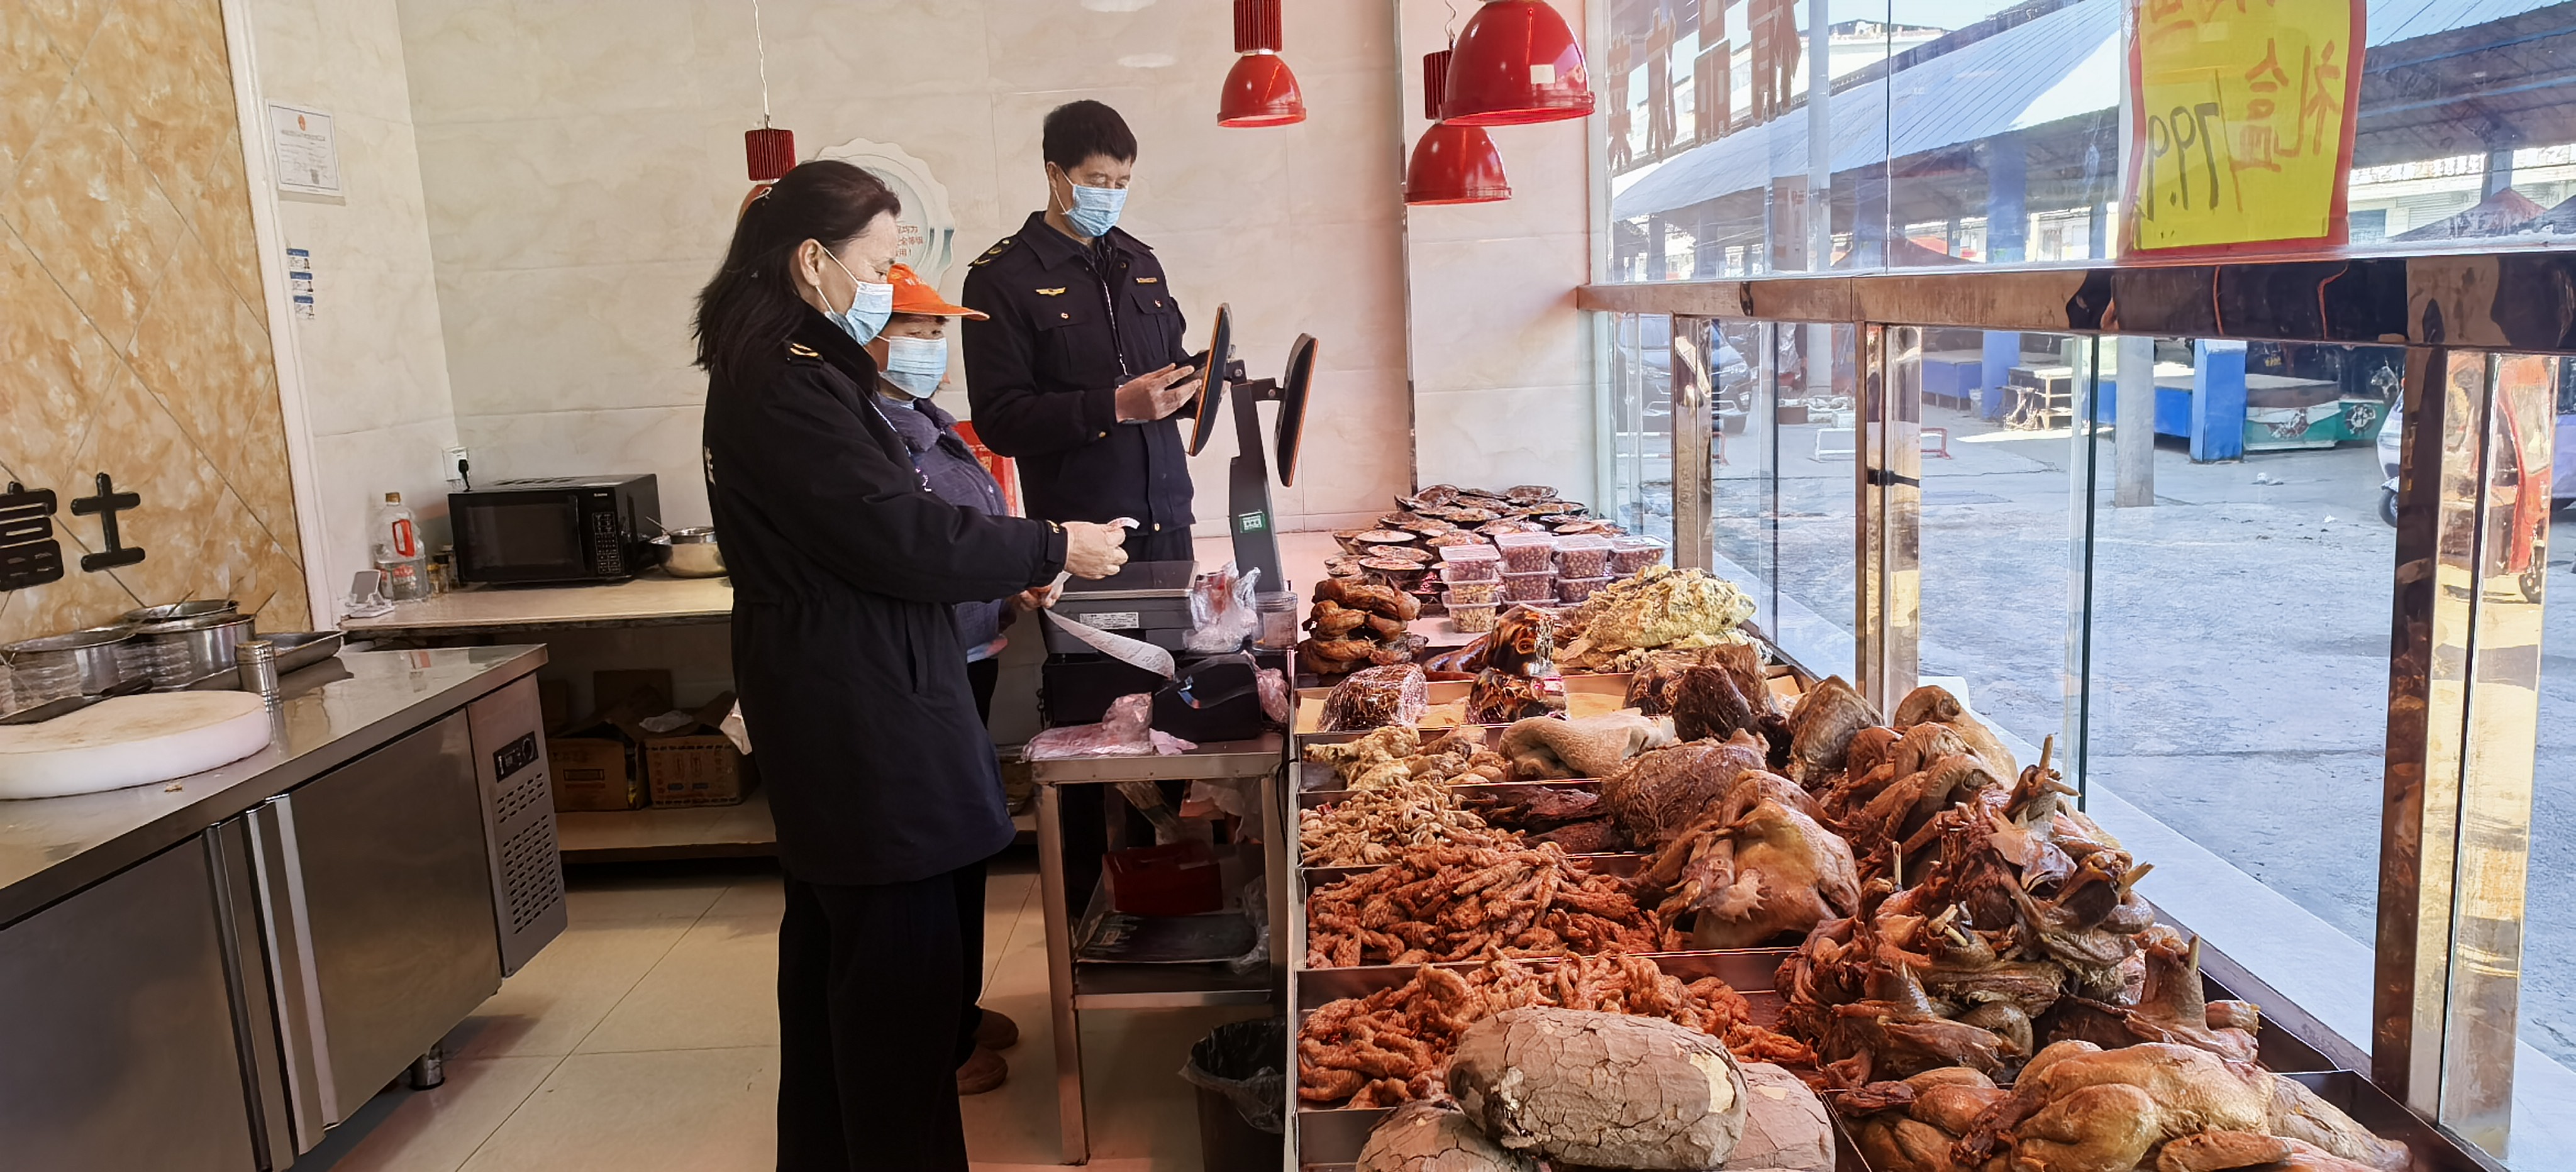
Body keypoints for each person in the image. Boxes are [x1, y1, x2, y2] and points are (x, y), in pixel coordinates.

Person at [695, 159, 1128, 1172]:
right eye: (881, 261)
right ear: (813, 260)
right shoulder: (786, 384)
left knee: (841, 981)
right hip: (860, 705)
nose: (891, 284)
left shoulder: (793, 368)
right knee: (897, 992)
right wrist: (1051, 544)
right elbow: (898, 536)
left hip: (852, 684)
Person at [860, 262, 1055, 1094]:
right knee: (935, 856)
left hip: (969, 657)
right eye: (914, 330)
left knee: (971, 843)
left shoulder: (933, 426)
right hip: (916, 675)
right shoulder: (870, 439)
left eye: (938, 331)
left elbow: (967, 538)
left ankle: (957, 1011)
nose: (931, 347)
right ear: (865, 337)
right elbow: (920, 550)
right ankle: (932, 1042)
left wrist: (1013, 580)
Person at [962, 99, 1202, 563]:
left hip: (1170, 517)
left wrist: (1196, 385)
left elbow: (1166, 367)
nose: (1111, 194)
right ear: (1055, 174)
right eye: (1097, 181)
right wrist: (1114, 406)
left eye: (1121, 183)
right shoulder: (1001, 279)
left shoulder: (1141, 264)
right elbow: (1000, 421)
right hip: (1082, 537)